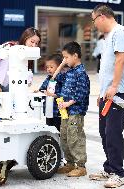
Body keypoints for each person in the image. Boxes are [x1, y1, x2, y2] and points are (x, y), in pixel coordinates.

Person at [89, 5, 124, 188]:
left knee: (113, 132)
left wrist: (114, 86)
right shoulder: (109, 36)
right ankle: (109, 168)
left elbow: (120, 60)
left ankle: (118, 173)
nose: (94, 25)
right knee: (103, 131)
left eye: (93, 20)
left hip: (119, 92)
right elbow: (107, 65)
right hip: (107, 93)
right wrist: (102, 92)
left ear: (101, 17)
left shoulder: (119, 33)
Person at [0, 27, 41, 117]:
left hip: (7, 86)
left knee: (4, 115)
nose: (34, 45)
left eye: (37, 43)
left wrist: (28, 82)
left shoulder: (28, 53)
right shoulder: (7, 48)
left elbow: (27, 70)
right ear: (25, 38)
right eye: (32, 41)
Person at [56, 41, 90, 177]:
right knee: (64, 137)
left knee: (75, 138)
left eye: (66, 57)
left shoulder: (81, 73)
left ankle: (81, 166)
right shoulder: (69, 72)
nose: (65, 60)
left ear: (75, 55)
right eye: (63, 57)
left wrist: (68, 103)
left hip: (75, 112)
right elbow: (56, 77)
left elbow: (81, 93)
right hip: (66, 112)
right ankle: (69, 163)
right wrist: (61, 64)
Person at [34, 53, 65, 132]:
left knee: (58, 130)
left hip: (58, 111)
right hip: (49, 110)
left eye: (51, 67)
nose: (48, 69)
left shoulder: (62, 78)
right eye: (47, 67)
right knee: (49, 129)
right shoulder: (48, 78)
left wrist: (53, 95)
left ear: (59, 67)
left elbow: (65, 94)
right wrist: (38, 91)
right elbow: (43, 88)